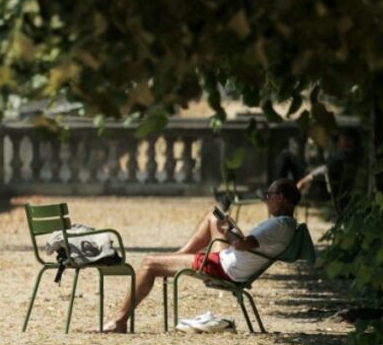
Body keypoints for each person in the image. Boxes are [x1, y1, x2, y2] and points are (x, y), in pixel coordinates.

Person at [102, 178, 302, 333]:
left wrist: (226, 231)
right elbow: (248, 245)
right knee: (212, 218)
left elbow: (241, 245)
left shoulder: (279, 224)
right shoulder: (286, 224)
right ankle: (176, 258)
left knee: (148, 264)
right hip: (232, 262)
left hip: (225, 268)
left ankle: (119, 321)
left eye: (269, 195)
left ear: (280, 198)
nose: (266, 199)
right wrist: (229, 229)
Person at [296, 128, 362, 211]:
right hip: (334, 189)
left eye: (341, 139)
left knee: (287, 157)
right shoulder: (355, 157)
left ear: (350, 141)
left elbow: (325, 169)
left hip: (323, 190)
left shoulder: (343, 156)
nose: (338, 142)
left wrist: (304, 180)